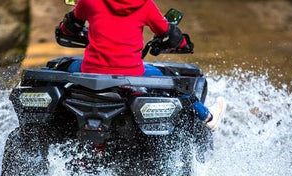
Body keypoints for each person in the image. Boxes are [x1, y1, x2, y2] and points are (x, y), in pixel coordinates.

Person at [59, 0, 225, 130]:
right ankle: (208, 117)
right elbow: (167, 31)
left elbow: (69, 27)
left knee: (60, 66)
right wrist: (181, 43)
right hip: (132, 73)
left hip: (91, 70)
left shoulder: (89, 1)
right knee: (177, 83)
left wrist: (65, 28)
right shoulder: (144, 5)